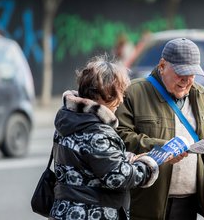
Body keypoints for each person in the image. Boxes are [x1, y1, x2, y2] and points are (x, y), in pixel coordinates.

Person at [115, 38, 204, 220]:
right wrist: (165, 149)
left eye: (192, 74)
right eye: (180, 73)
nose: (186, 80)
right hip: (146, 203)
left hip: (188, 203)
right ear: (162, 65)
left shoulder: (201, 95)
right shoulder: (133, 92)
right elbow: (121, 138)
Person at [49, 55, 159, 220]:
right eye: (118, 94)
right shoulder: (97, 132)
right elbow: (117, 177)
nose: (120, 101)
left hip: (64, 210)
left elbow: (89, 163)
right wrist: (147, 167)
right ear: (104, 94)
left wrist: (126, 158)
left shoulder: (69, 119)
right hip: (92, 213)